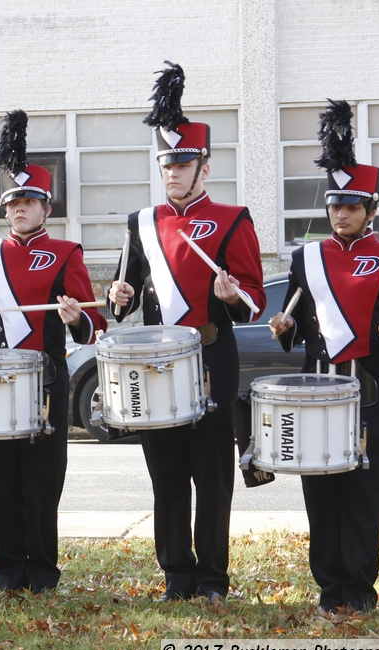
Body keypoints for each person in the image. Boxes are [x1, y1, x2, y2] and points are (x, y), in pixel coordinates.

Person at [107, 63, 266, 603]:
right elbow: (122, 294)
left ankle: (213, 580)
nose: (172, 172)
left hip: (210, 358)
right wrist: (117, 297)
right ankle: (176, 574)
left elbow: (255, 299)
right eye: (165, 163)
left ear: (204, 166)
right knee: (166, 472)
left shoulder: (232, 217)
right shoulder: (141, 221)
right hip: (155, 365)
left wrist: (232, 297)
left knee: (212, 475)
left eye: (182, 162)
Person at [0, 110, 107, 593]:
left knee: (43, 479)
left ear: (46, 207)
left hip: (46, 376)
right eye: (12, 203)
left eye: (29, 201)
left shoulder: (68, 252)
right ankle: (7, 571)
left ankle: (42, 572)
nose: (19, 210)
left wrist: (77, 318)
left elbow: (94, 325)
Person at [269, 100, 379, 613]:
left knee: (366, 492)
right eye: (336, 205)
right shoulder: (306, 257)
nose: (342, 213)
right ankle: (330, 589)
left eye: (353, 206)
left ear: (371, 209)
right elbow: (296, 318)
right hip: (318, 389)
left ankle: (360, 589)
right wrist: (283, 328)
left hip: (370, 390)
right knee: (321, 492)